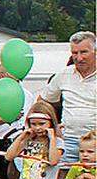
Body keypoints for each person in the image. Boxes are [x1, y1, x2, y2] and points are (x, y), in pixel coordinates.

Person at [37, 31, 96, 165]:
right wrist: (53, 127)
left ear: (95, 52)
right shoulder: (64, 74)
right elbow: (42, 102)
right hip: (68, 140)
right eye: (75, 53)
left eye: (84, 52)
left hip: (95, 143)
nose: (79, 58)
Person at [5, 101, 62, 179]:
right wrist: (21, 137)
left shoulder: (58, 142)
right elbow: (9, 156)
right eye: (33, 124)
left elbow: (53, 160)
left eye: (42, 124)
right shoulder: (27, 140)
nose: (37, 128)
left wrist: (52, 138)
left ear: (51, 123)